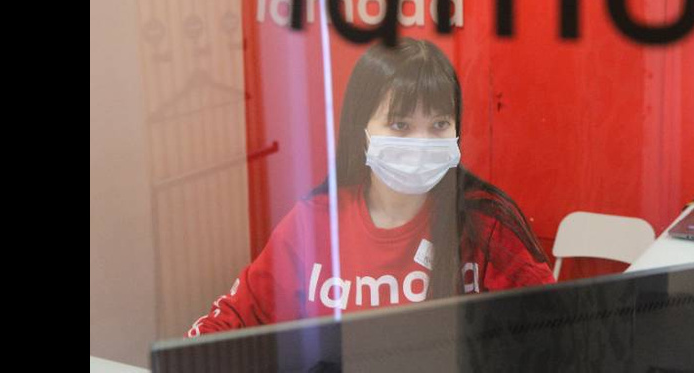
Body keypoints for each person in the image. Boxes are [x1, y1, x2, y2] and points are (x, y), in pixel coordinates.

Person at [188, 38, 553, 337]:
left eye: (440, 124)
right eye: (400, 125)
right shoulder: (313, 226)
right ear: (361, 132)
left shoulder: (486, 228)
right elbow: (224, 327)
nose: (422, 143)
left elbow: (557, 333)